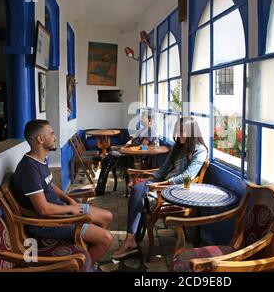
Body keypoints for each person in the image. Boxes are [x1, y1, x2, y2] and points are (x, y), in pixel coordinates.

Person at [11, 120, 114, 265]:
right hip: (48, 223)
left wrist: (69, 200)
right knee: (106, 239)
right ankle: (85, 267)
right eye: (51, 134)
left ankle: (88, 254)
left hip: (61, 211)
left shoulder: (41, 160)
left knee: (107, 217)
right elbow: (43, 209)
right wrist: (70, 209)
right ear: (40, 139)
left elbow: (51, 185)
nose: (54, 137)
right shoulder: (30, 169)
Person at [112, 117, 208, 259]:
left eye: (183, 131)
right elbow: (163, 169)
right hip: (163, 183)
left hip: (176, 190)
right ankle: (131, 241)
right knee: (138, 189)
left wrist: (161, 184)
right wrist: (149, 180)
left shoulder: (199, 151)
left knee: (138, 192)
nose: (180, 134)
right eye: (178, 130)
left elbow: (187, 176)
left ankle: (131, 242)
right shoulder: (178, 146)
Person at [95, 110, 159, 196]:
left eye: (143, 117)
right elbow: (133, 139)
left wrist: (126, 149)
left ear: (149, 120)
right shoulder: (143, 129)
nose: (141, 119)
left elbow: (142, 148)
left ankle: (99, 188)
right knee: (107, 161)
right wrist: (129, 143)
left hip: (135, 158)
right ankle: (100, 188)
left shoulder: (150, 131)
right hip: (129, 154)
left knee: (110, 156)